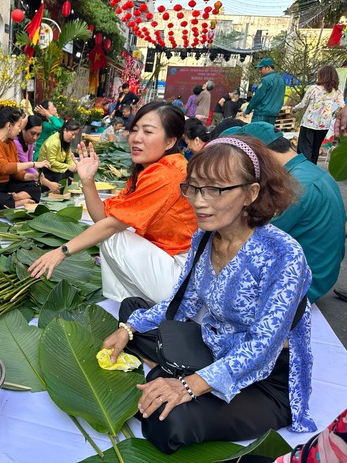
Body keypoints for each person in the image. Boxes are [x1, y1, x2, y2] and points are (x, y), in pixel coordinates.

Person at [103, 135, 315, 454]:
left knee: (167, 421)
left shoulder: (282, 255)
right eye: (194, 188)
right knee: (131, 309)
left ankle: (178, 374)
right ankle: (172, 368)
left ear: (250, 193)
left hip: (267, 377)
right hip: (215, 343)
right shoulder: (205, 237)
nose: (200, 201)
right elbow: (180, 305)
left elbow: (262, 347)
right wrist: (128, 328)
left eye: (215, 189)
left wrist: (188, 386)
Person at [29, 102, 198, 304]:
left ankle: (152, 305)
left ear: (170, 141)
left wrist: (62, 251)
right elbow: (102, 216)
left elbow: (111, 225)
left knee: (113, 236)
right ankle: (140, 302)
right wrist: (88, 180)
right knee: (112, 231)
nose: (137, 138)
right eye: (135, 130)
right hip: (169, 261)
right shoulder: (151, 170)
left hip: (183, 274)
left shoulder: (168, 173)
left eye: (148, 132)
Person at [221, 122, 346, 303]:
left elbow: (249, 240)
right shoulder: (308, 171)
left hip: (303, 285)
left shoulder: (292, 186)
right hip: (321, 275)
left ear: (259, 152)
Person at [0, 106, 50, 209]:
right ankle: (18, 202)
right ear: (9, 125)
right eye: (19, 126)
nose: (19, 130)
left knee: (35, 186)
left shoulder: (11, 143)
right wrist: (33, 164)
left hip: (7, 184)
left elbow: (17, 173)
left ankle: (16, 198)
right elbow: (4, 168)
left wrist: (32, 176)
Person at [293, 65, 344, 164]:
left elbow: (303, 104)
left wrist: (294, 110)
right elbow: (342, 106)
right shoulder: (337, 91)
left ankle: (304, 169)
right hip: (324, 124)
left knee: (304, 149)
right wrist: (334, 114)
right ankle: (313, 169)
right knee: (315, 150)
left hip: (309, 122)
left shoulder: (313, 89)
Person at [15, 115, 61, 194]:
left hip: (28, 174)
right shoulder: (16, 143)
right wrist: (49, 184)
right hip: (18, 177)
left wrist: (40, 174)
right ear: (23, 130)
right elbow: (27, 166)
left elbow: (31, 162)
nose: (35, 137)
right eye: (32, 133)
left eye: (38, 134)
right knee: (37, 187)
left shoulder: (30, 143)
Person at [242, 58, 286, 124]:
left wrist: (247, 110)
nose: (260, 71)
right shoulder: (282, 80)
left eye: (261, 68)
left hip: (261, 113)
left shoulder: (265, 80)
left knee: (255, 133)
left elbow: (258, 97)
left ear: (268, 67)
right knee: (267, 132)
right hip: (274, 113)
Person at [37, 119, 80, 184]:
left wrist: (74, 166)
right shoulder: (54, 142)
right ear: (65, 130)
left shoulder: (65, 140)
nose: (73, 137)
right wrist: (68, 166)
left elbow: (69, 158)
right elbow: (51, 162)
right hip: (47, 169)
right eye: (72, 134)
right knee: (63, 180)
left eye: (75, 135)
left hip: (58, 167)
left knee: (74, 174)